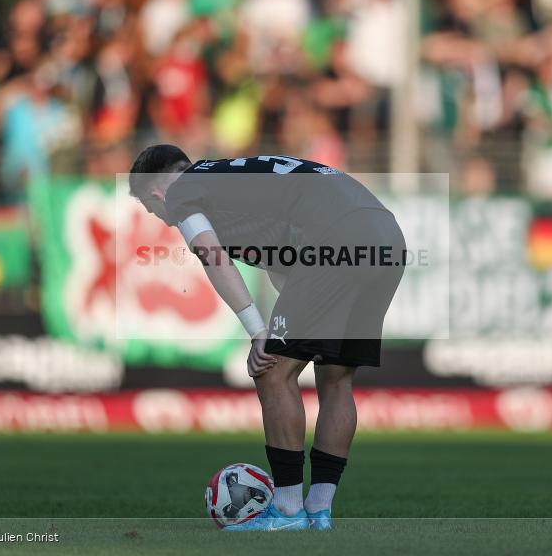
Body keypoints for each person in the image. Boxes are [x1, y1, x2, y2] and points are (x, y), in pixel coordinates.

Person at [128, 145, 405, 531]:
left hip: (334, 238)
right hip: (386, 236)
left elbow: (212, 255)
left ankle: (288, 511)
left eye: (151, 209)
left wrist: (259, 332)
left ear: (155, 193)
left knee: (272, 372)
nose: (162, 218)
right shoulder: (234, 183)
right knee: (336, 379)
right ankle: (319, 512)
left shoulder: (181, 190)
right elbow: (287, 272)